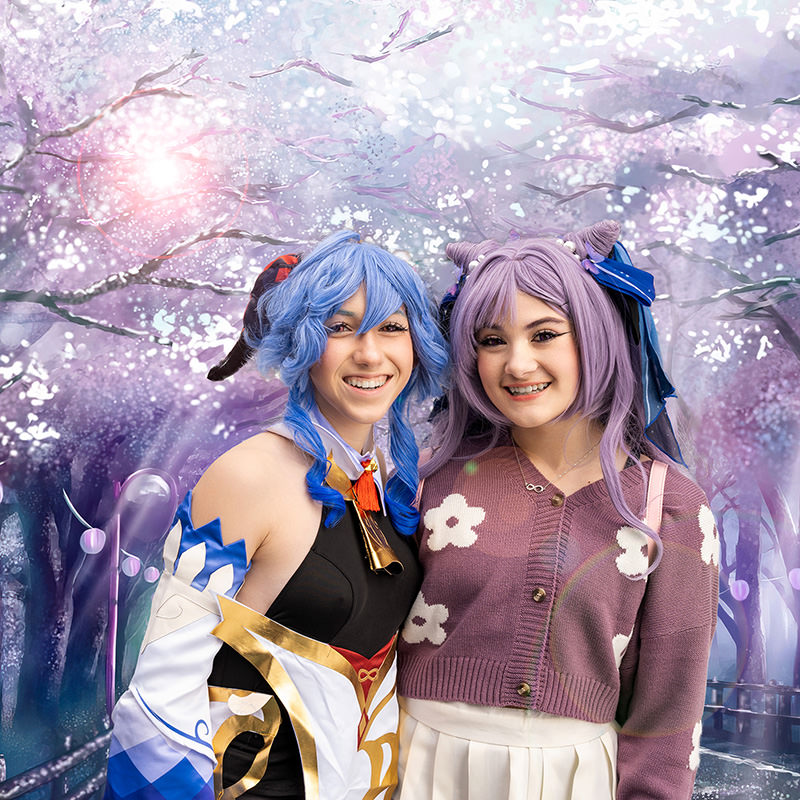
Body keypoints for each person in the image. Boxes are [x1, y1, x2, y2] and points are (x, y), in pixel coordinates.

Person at [104, 230, 448, 800]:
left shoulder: (389, 479)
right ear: (301, 341)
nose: (370, 353)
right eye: (340, 328)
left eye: (391, 327)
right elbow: (157, 699)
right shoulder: (248, 476)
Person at [396, 220, 719, 800]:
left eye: (544, 334)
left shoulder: (669, 506)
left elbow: (669, 716)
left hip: (574, 780)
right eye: (492, 340)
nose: (516, 365)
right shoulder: (430, 483)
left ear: (593, 336)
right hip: (417, 763)